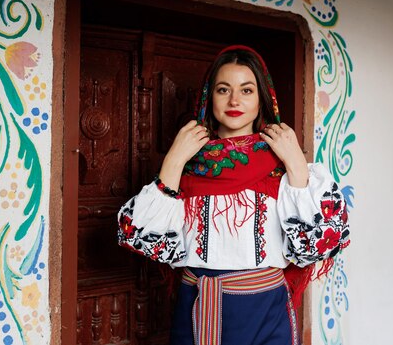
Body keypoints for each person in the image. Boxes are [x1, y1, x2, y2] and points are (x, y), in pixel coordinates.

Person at [117, 45, 349, 345]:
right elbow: (136, 234)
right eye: (223, 89)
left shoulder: (284, 166)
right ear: (208, 98)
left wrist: (295, 164)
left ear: (262, 99)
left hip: (265, 310)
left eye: (247, 90)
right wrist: (174, 159)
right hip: (198, 307)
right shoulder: (186, 165)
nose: (234, 100)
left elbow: (317, 245)